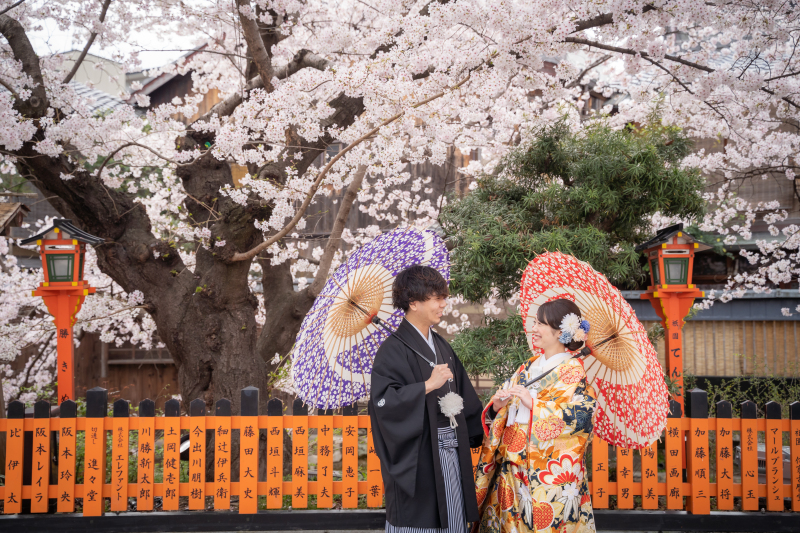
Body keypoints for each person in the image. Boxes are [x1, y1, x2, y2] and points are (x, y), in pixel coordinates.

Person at [369, 264, 484, 533]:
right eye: (437, 298)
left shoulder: (441, 344)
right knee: (419, 522)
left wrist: (491, 413)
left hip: (450, 451)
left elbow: (464, 396)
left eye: (444, 297)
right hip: (418, 457)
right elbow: (383, 402)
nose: (444, 304)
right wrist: (427, 386)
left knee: (453, 518)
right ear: (414, 302)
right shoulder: (392, 350)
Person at [474, 299, 597, 533]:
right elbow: (501, 413)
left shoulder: (573, 372)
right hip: (511, 466)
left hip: (546, 473)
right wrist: (498, 406)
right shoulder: (527, 366)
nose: (535, 328)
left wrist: (535, 404)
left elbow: (582, 419)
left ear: (560, 332)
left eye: (541, 324)